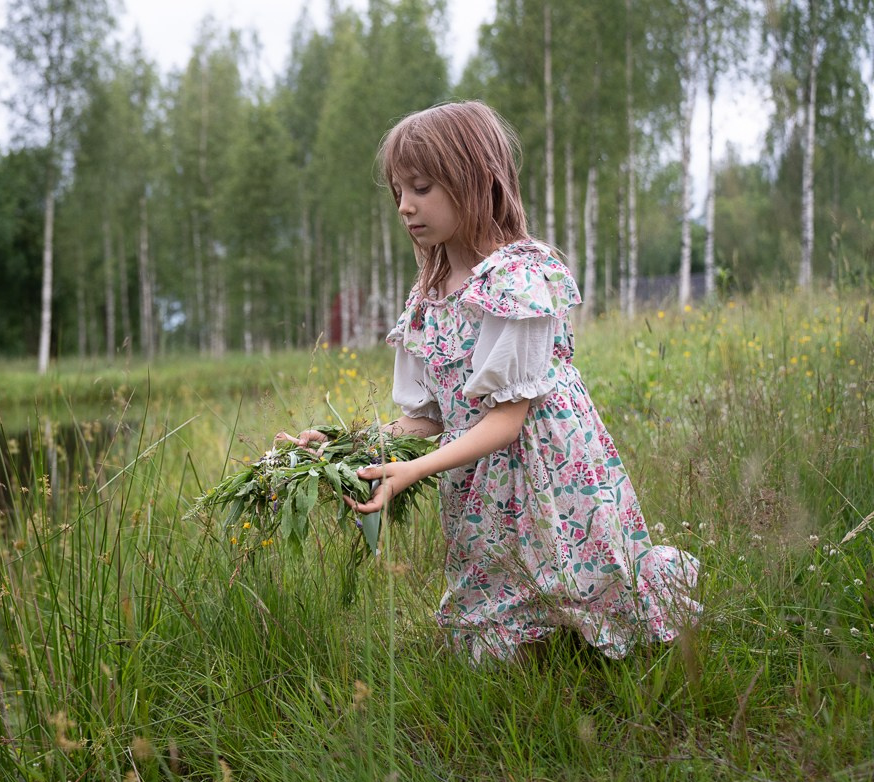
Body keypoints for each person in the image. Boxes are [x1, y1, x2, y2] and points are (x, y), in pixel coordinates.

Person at [278, 101, 699, 663]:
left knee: (578, 583)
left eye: (422, 188)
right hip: (478, 484)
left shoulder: (517, 276)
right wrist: (344, 445)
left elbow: (506, 420)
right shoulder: (428, 297)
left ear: (474, 180)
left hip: (546, 472)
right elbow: (424, 419)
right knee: (490, 639)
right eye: (398, 191)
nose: (405, 206)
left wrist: (411, 472)